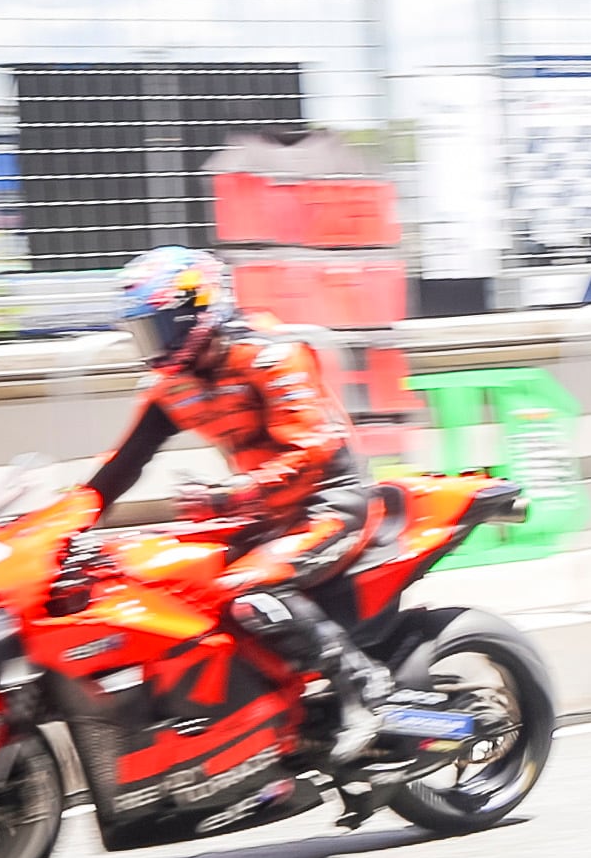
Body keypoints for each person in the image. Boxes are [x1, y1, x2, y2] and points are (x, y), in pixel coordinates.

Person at [86, 246, 396, 768]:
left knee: (248, 591)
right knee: (171, 582)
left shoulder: (271, 354)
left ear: (197, 314)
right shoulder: (175, 384)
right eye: (144, 332)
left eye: (158, 328)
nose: (152, 346)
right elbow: (123, 463)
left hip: (330, 503)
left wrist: (227, 496)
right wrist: (68, 517)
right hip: (263, 513)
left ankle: (366, 690)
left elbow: (312, 450)